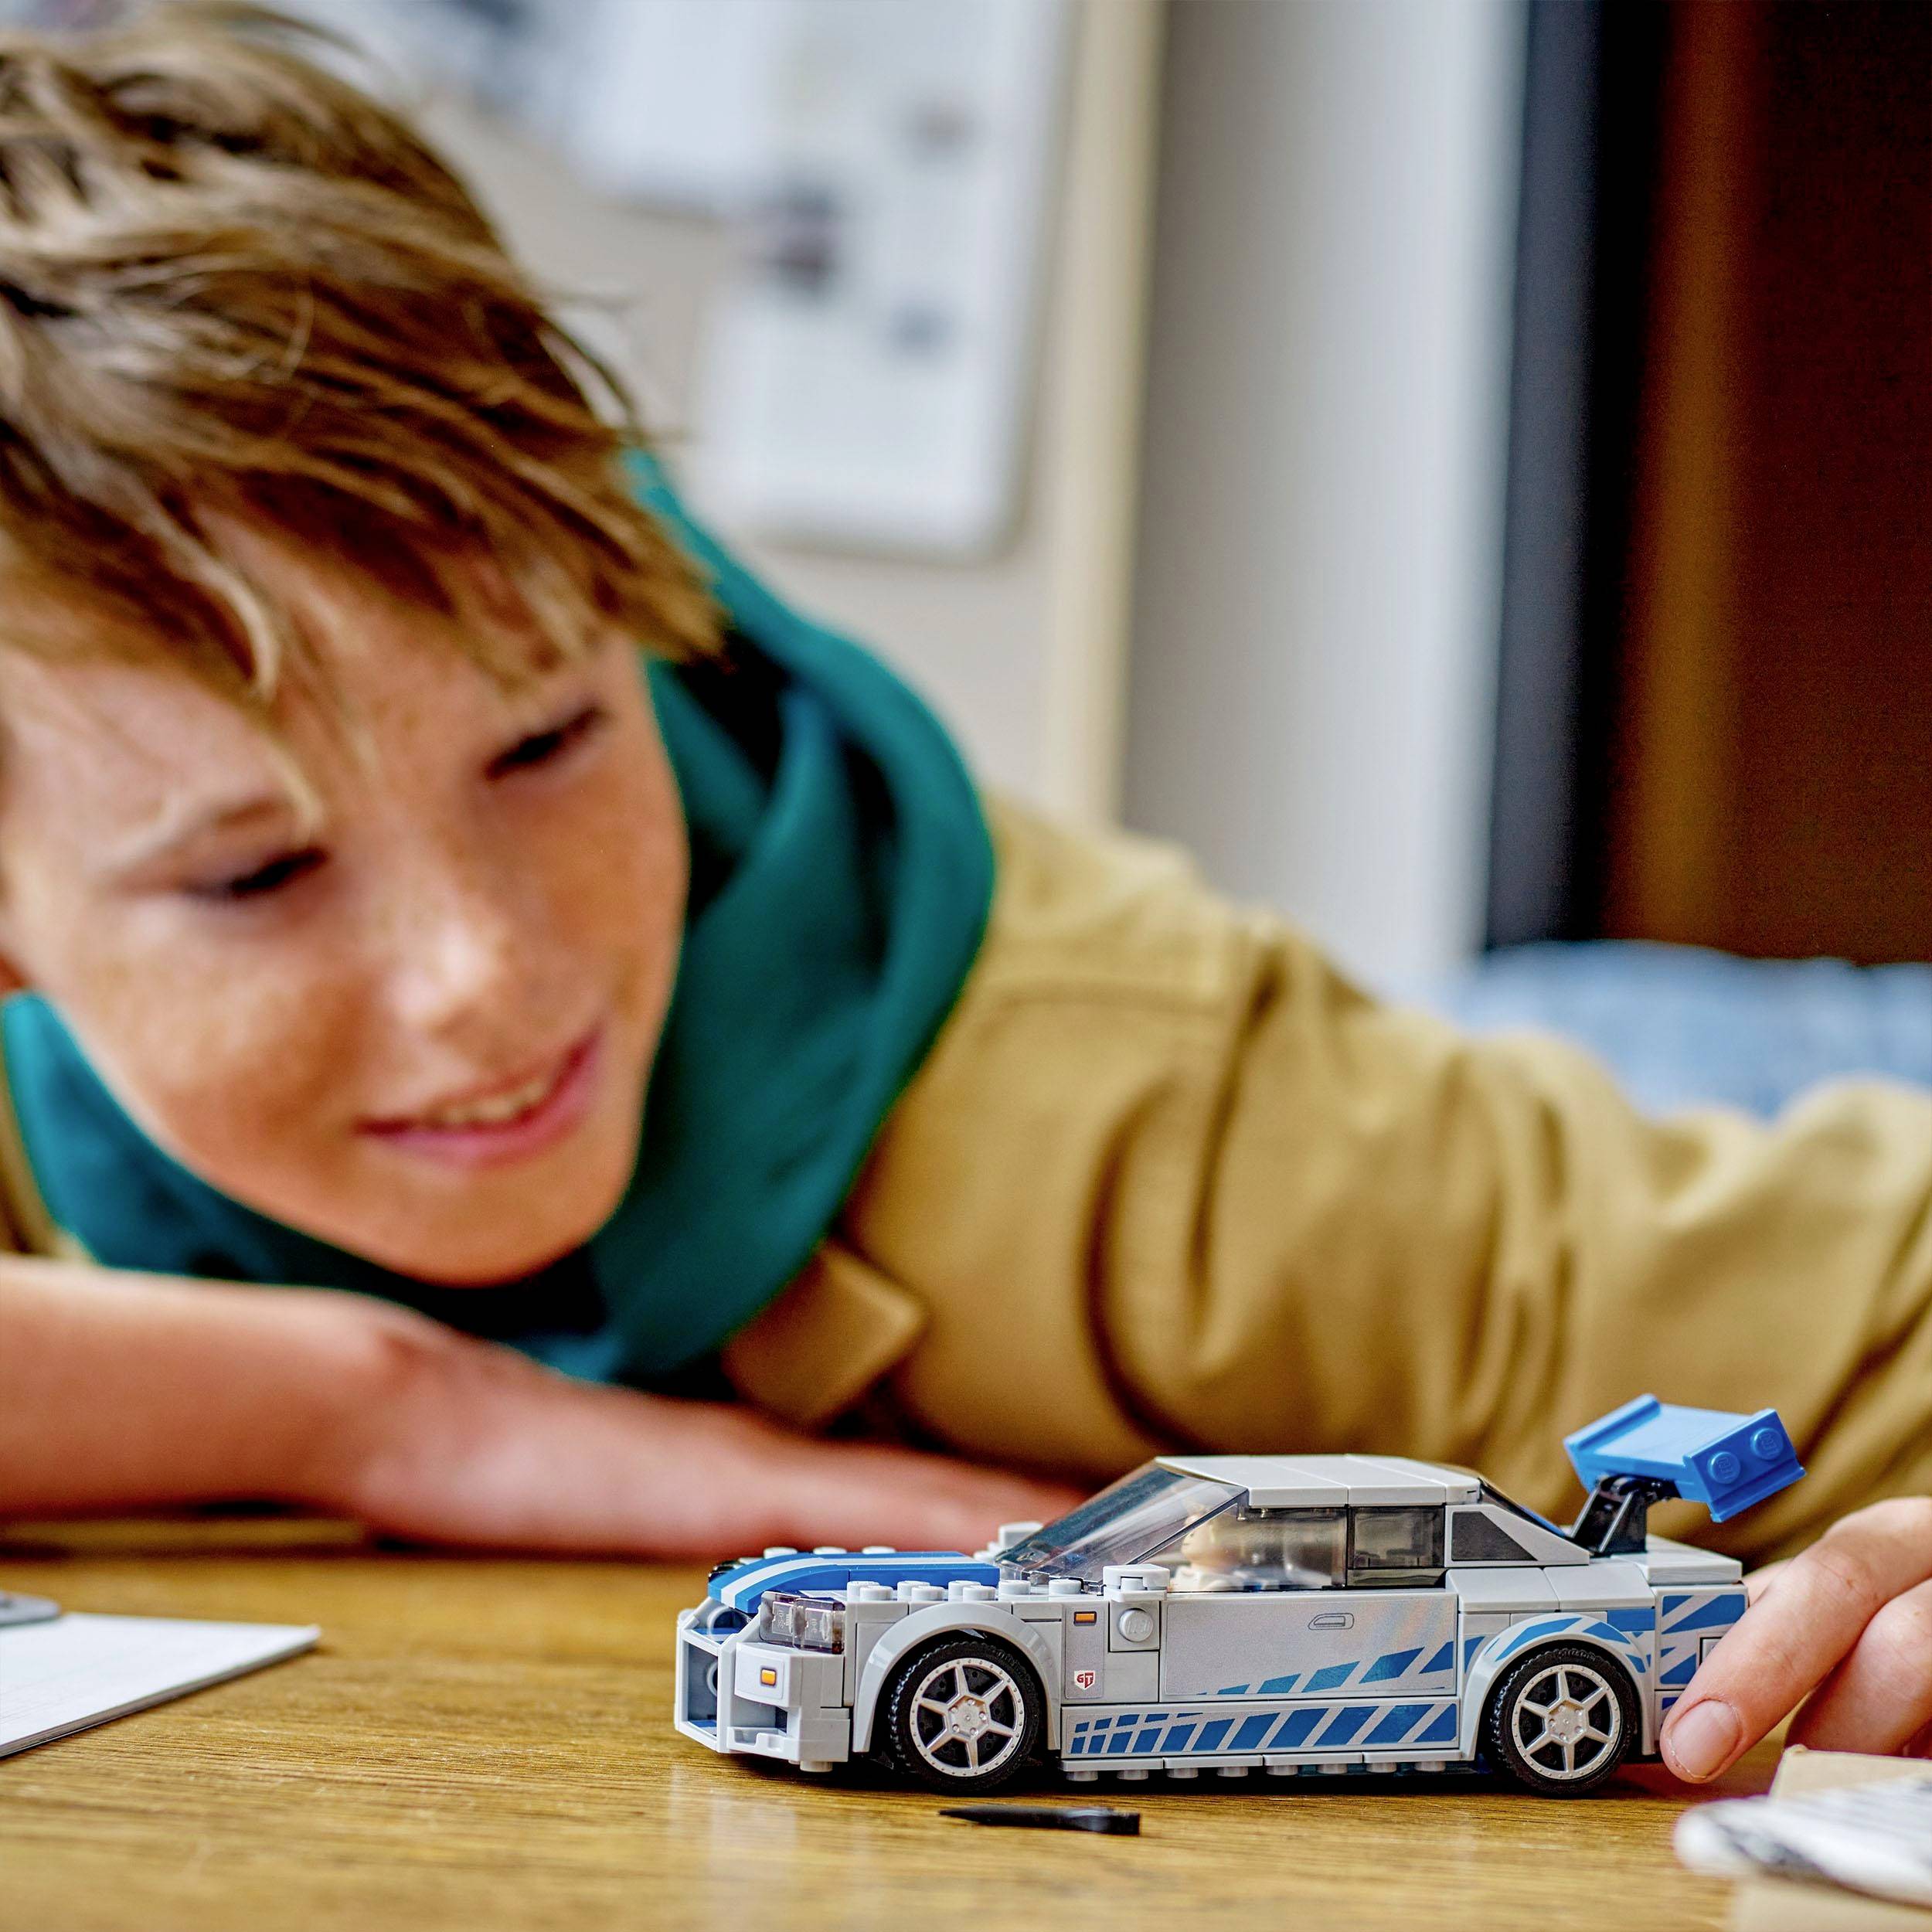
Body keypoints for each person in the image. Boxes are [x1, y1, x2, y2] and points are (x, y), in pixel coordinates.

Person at [0, 9, 1923, 1780]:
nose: (487, 979)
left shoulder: (1161, 1132)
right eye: (255, 872)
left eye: (547, 744)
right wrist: (383, 1407)